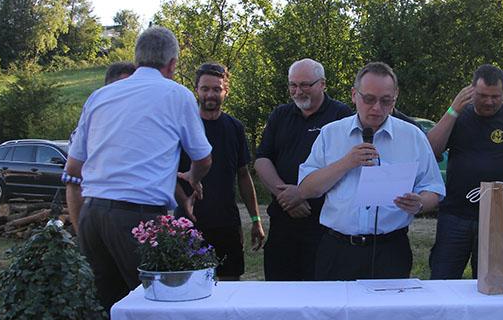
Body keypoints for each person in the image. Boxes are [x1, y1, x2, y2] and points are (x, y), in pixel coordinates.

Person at [64, 26, 212, 315]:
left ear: (137, 58)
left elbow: (73, 166)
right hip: (138, 218)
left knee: (105, 311)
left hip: (93, 215)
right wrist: (193, 180)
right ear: (172, 64)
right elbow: (204, 158)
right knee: (150, 309)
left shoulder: (100, 96)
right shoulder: (177, 95)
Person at [298, 62, 445, 280]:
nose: (376, 108)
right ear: (354, 95)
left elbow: (434, 188)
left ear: (395, 98)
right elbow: (306, 189)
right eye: (369, 99)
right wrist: (345, 163)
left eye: (386, 101)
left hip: (391, 250)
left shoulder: (413, 136)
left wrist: (420, 203)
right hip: (338, 250)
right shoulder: (330, 134)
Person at [427, 64, 503, 279]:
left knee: (493, 282)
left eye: (495, 96)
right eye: (483, 96)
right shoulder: (458, 116)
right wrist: (452, 110)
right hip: (455, 215)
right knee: (442, 279)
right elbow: (431, 150)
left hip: (499, 218)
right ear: (470, 91)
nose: (489, 102)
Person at [254, 58, 352, 281]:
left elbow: (346, 166)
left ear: (322, 84)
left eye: (305, 85)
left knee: (321, 294)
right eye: (293, 85)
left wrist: (302, 194)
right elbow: (262, 159)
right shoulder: (280, 115)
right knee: (279, 292)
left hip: (323, 227)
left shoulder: (340, 115)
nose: (298, 91)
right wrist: (286, 197)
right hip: (283, 222)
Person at [174, 62, 264, 281]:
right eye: (205, 88)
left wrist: (255, 219)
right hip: (189, 222)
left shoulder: (235, 127)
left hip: (226, 223)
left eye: (216, 89)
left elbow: (243, 175)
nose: (210, 94)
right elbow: (167, 172)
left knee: (230, 286)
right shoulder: (182, 127)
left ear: (226, 91)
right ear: (196, 90)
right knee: (189, 286)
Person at [64, 61, 138, 225]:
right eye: (124, 88)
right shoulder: (87, 132)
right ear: (107, 90)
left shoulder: (141, 130)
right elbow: (73, 181)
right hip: (98, 216)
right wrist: (80, 233)